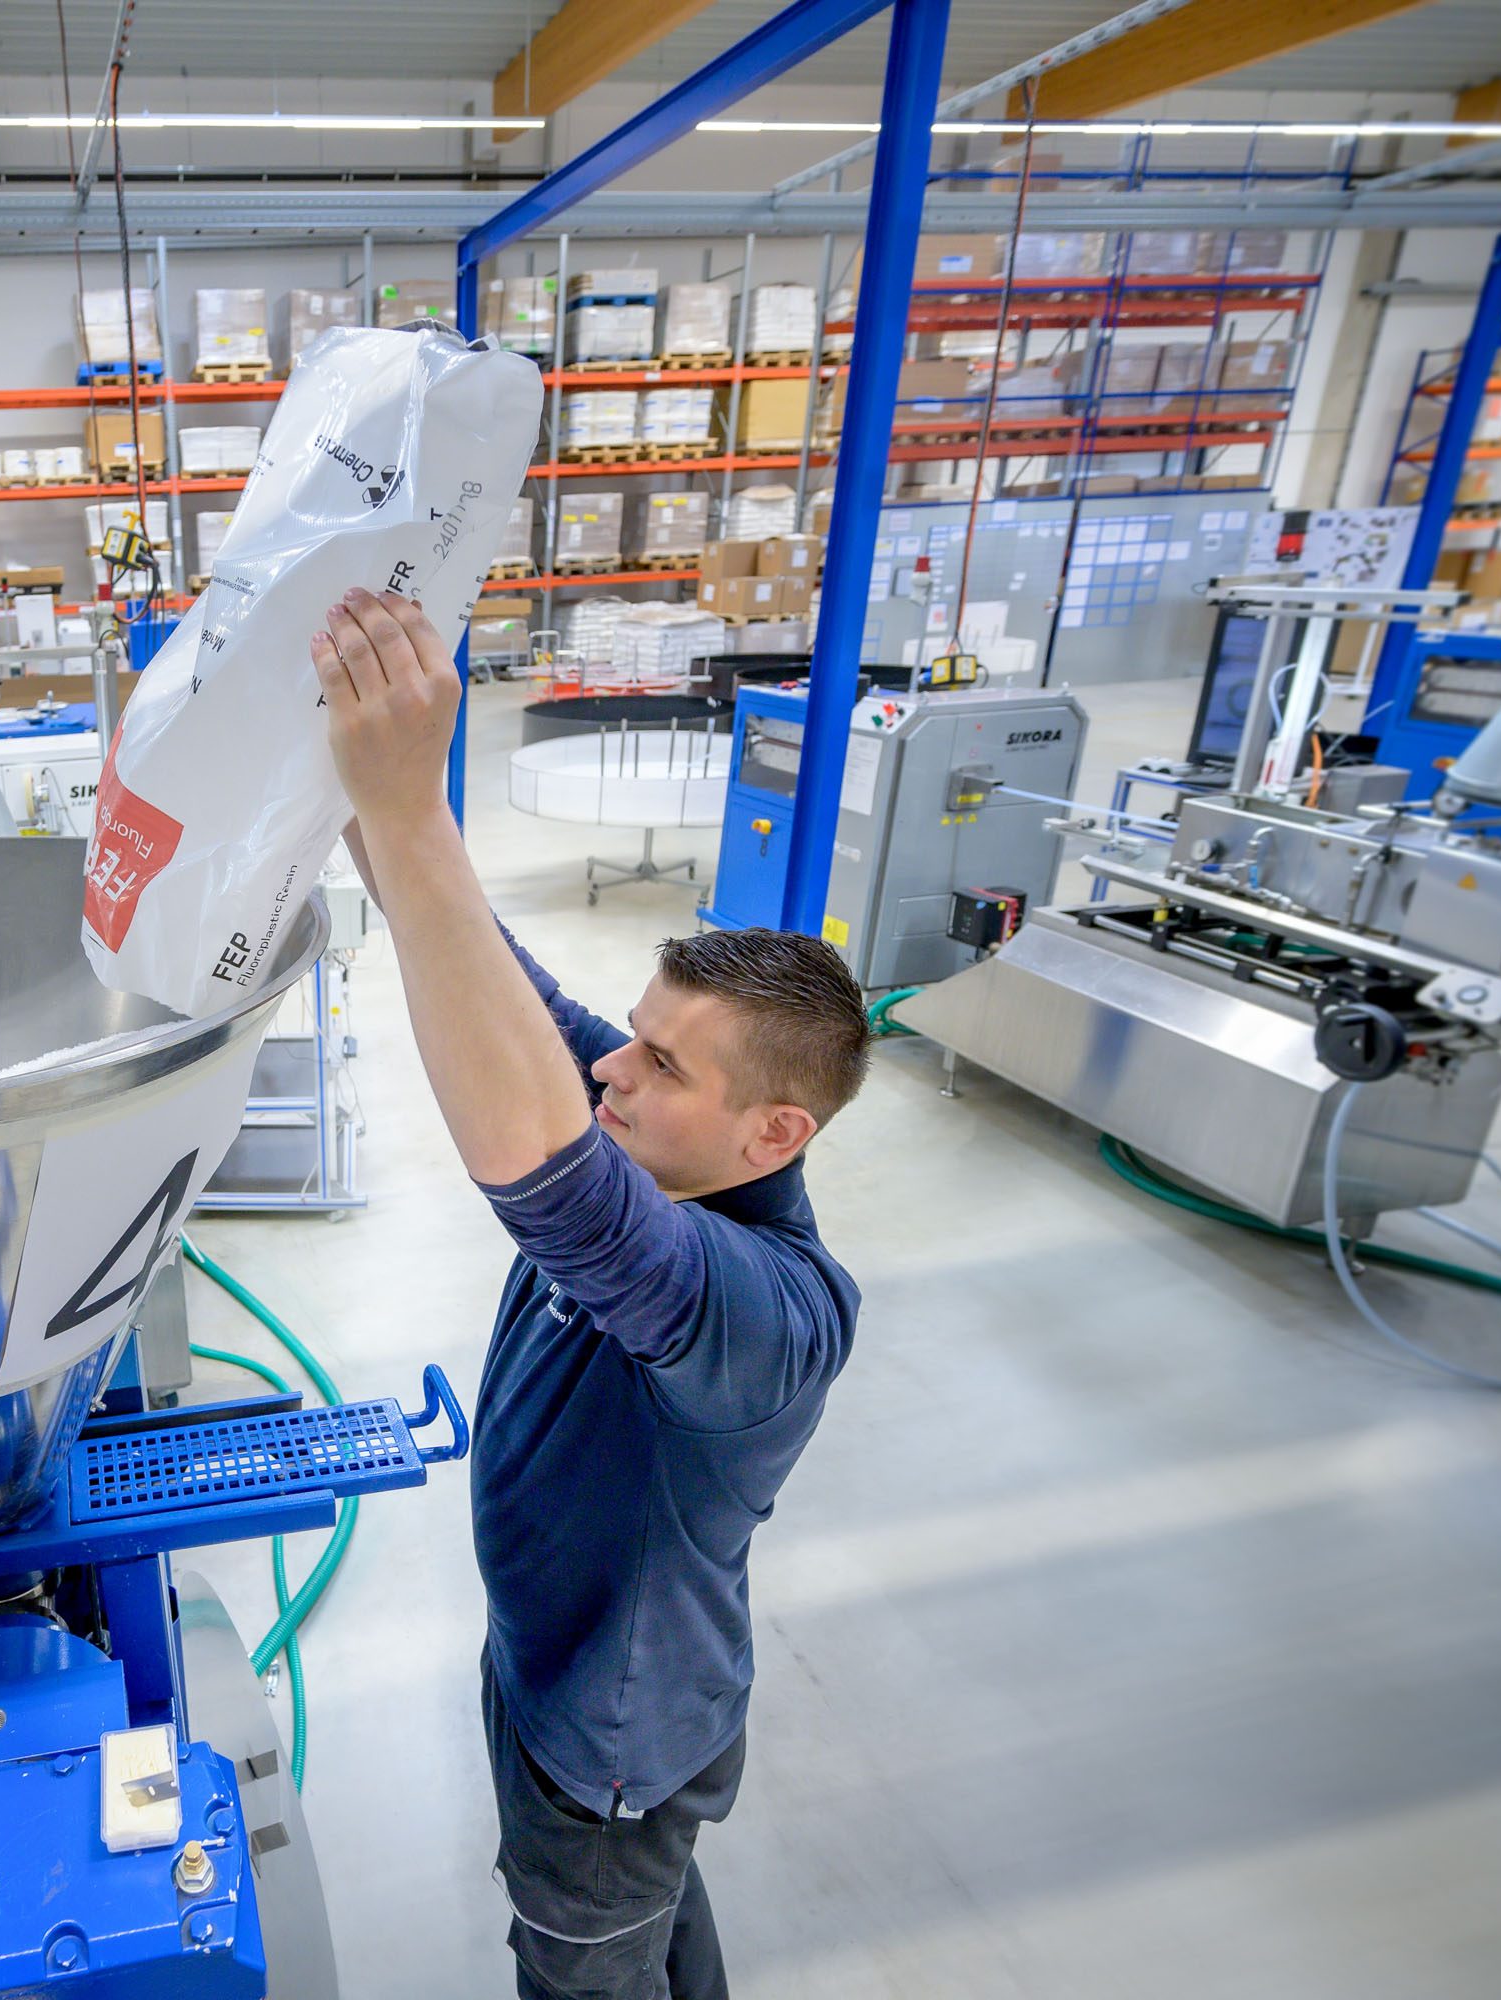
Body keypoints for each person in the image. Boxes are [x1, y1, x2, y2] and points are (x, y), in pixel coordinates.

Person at [313, 587, 870, 2000]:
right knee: (656, 1923)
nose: (613, 1073)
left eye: (663, 1067)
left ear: (774, 1136)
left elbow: (542, 1174)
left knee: (587, 1958)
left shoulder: (769, 1313)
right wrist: (354, 786)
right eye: (634, 1038)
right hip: (551, 1665)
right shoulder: (650, 1120)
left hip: (610, 1748)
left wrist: (414, 810)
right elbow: (480, 963)